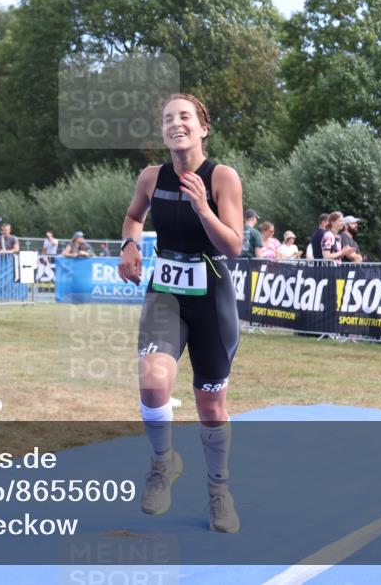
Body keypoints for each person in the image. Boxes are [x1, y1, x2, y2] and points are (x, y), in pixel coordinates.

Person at [117, 93, 243, 533]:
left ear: (203, 127)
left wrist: (203, 206)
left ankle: (218, 491)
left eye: (185, 117)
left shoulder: (222, 176)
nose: (177, 123)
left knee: (211, 405)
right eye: (169, 118)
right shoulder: (151, 176)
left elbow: (233, 245)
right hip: (165, 291)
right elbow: (134, 217)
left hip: (211, 297)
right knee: (153, 381)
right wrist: (130, 245)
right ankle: (163, 462)